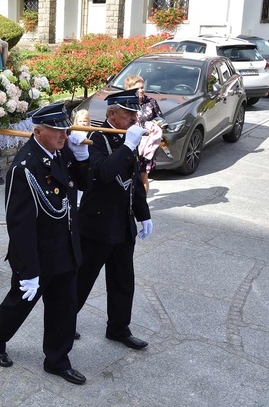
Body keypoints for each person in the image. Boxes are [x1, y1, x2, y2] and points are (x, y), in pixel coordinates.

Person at [0, 103, 89, 384]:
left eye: (65, 130)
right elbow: (19, 225)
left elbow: (85, 182)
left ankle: (56, 359)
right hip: (38, 253)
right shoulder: (24, 167)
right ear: (38, 132)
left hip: (64, 247)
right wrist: (28, 270)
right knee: (19, 303)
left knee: (64, 308)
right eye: (57, 131)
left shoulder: (61, 151)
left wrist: (81, 154)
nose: (64, 135)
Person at [76, 88, 152, 351]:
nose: (134, 119)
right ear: (112, 113)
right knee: (82, 279)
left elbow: (134, 181)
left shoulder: (126, 137)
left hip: (122, 223)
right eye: (129, 114)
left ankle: (118, 328)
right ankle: (64, 320)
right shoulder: (96, 138)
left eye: (135, 114)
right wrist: (129, 145)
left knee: (122, 280)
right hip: (96, 225)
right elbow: (102, 173)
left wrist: (144, 215)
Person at [124, 75, 163, 195]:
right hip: (129, 145)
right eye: (138, 88)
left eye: (142, 88)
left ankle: (142, 203)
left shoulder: (151, 102)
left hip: (146, 147)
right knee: (127, 175)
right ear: (129, 90)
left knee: (143, 176)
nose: (141, 90)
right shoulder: (125, 103)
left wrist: (153, 125)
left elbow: (160, 119)